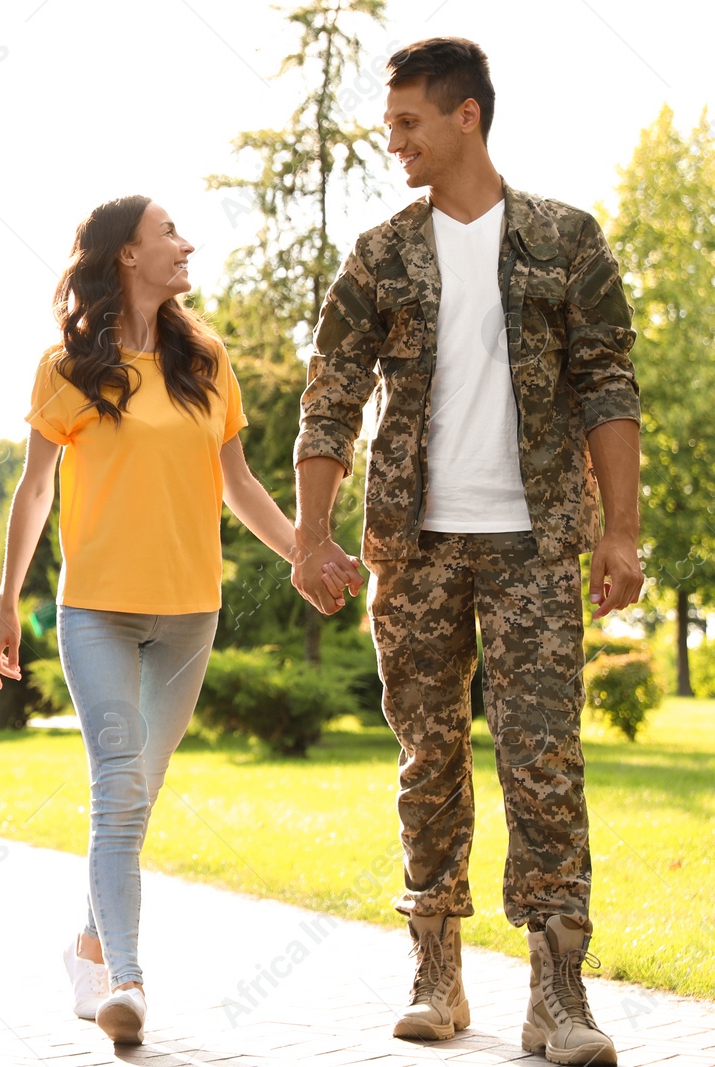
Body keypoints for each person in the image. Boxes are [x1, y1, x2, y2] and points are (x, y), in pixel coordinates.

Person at [293, 37, 641, 1067]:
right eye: (388, 121)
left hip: (537, 542)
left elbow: (608, 387)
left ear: (464, 119)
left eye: (405, 121)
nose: (389, 138)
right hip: (413, 545)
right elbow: (331, 396)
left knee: (544, 759)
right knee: (427, 758)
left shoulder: (564, 240)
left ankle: (556, 993)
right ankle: (434, 972)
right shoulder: (378, 254)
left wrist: (619, 530)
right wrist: (310, 532)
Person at [0, 194, 361, 1046]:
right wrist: (9, 600)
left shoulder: (204, 359)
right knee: (117, 789)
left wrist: (304, 548)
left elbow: (238, 482)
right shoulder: (66, 367)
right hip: (96, 614)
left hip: (192, 612)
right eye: (168, 234)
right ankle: (127, 980)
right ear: (126, 254)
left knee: (137, 792)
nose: (185, 244)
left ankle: (87, 945)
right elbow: (35, 489)